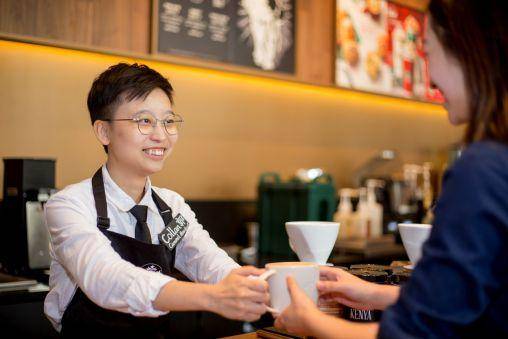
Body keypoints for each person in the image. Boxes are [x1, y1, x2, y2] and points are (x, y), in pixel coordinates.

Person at [273, 0, 508, 337]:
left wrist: (311, 321)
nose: (429, 75)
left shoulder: (483, 170)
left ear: (466, 49)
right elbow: (463, 299)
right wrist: (372, 293)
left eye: (429, 51)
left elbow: (415, 333)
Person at [44, 63, 269, 337]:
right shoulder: (70, 205)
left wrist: (259, 287)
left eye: (168, 121)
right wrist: (212, 297)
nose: (161, 135)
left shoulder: (172, 207)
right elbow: (105, 279)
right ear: (103, 131)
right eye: (144, 121)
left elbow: (211, 265)